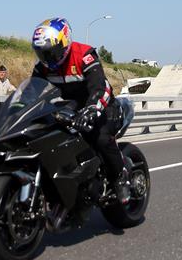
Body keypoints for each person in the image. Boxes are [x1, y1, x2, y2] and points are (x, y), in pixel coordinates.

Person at [29, 17, 130, 204]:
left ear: (64, 42)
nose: (47, 57)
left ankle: (120, 177)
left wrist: (92, 109)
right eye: (42, 53)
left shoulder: (84, 55)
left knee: (100, 137)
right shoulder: (42, 67)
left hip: (102, 104)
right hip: (72, 107)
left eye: (51, 52)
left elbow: (100, 87)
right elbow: (31, 93)